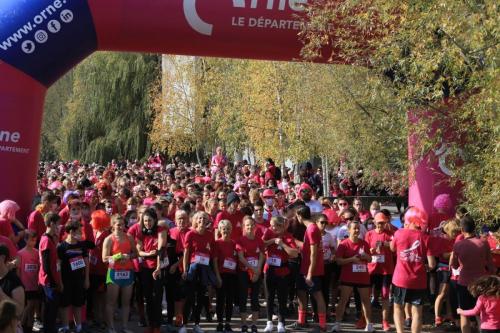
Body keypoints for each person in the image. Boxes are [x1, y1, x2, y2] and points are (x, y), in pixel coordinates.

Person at [390, 207, 435, 333]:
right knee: (417, 313)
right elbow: (432, 264)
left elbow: (392, 249)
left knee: (398, 307)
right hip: (418, 280)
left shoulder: (399, 233)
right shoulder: (426, 238)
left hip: (400, 279)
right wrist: (422, 265)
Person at [450, 215, 496, 333]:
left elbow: (454, 265)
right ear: (474, 228)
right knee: (481, 313)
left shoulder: (458, 245)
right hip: (481, 283)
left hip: (464, 283)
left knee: (464, 313)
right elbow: (491, 265)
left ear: (462, 230)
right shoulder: (484, 243)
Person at [288, 205, 327, 332]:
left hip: (311, 269)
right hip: (304, 267)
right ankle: (301, 321)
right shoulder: (310, 228)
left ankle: (322, 325)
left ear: (299, 216)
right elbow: (307, 247)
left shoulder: (312, 229)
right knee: (300, 292)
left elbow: (314, 253)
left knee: (317, 294)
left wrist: (310, 273)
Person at [332, 220, 373, 332]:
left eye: (358, 228)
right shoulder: (344, 244)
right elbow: (339, 261)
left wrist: (365, 256)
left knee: (366, 301)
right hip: (348, 277)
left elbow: (370, 259)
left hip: (362, 276)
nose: (357, 230)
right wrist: (352, 259)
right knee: (343, 300)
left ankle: (369, 325)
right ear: (349, 230)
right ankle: (337, 324)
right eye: (354, 228)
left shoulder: (364, 243)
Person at [262, 216, 298, 333]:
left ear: (282, 226)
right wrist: (272, 241)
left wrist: (282, 244)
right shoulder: (268, 232)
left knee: (282, 298)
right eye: (272, 225)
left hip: (282, 271)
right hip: (269, 269)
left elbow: (294, 254)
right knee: (269, 297)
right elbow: (261, 245)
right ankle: (269, 322)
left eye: (276, 226)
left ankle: (281, 323)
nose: (273, 228)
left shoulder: (288, 236)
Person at [102, 214, 138, 333]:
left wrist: (128, 256)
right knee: (111, 301)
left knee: (126, 302)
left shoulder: (129, 237)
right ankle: (111, 327)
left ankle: (125, 327)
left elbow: (135, 253)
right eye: (118, 224)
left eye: (122, 224)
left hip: (127, 272)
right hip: (113, 272)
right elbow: (104, 258)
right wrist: (117, 256)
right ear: (113, 225)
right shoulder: (109, 239)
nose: (120, 226)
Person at [182, 211, 215, 333]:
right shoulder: (190, 234)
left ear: (207, 221)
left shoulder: (210, 235)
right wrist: (185, 270)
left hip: (204, 270)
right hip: (192, 269)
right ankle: (184, 325)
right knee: (189, 298)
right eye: (199, 218)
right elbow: (186, 254)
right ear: (195, 220)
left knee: (201, 298)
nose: (202, 220)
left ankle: (196, 324)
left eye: (204, 218)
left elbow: (211, 253)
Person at [135, 208, 167, 333]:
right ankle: (150, 324)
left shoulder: (160, 230)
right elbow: (139, 251)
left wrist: (158, 267)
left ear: (155, 220)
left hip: (158, 267)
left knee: (157, 298)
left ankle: (157, 326)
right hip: (145, 268)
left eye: (150, 220)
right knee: (148, 297)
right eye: (145, 221)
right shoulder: (140, 232)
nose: (148, 223)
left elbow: (161, 250)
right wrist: (148, 254)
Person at [56, 221, 90, 333]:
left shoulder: (82, 245)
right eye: (79, 230)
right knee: (65, 304)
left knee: (78, 303)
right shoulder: (61, 247)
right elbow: (58, 266)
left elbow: (86, 262)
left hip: (79, 279)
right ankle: (65, 326)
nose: (81, 233)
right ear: (71, 231)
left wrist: (86, 279)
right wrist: (60, 282)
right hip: (66, 280)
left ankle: (79, 326)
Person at [365, 212, 395, 332]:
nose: (380, 225)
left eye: (383, 223)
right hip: (372, 269)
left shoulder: (390, 234)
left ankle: (385, 321)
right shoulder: (369, 234)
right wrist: (370, 250)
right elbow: (364, 250)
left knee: (385, 296)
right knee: (366, 296)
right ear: (374, 222)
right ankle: (365, 319)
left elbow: (395, 246)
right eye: (378, 223)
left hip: (386, 270)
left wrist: (384, 244)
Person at [236, 216, 265, 333]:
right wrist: (253, 269)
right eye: (247, 225)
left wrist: (258, 270)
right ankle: (244, 324)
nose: (250, 227)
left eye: (252, 225)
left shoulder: (259, 240)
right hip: (244, 272)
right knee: (243, 297)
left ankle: (254, 324)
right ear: (244, 227)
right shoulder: (240, 240)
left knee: (254, 298)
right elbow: (241, 257)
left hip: (256, 272)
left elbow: (262, 255)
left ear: (255, 226)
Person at [38, 212, 62, 333]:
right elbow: (47, 265)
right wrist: (54, 282)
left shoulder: (50, 238)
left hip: (50, 279)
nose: (60, 226)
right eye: (58, 224)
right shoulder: (46, 240)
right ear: (52, 224)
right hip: (49, 281)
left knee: (50, 308)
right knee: (51, 309)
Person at [213, 220, 237, 333]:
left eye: (228, 229)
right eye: (223, 229)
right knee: (220, 300)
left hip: (232, 275)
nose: (226, 231)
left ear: (231, 230)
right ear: (220, 230)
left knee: (230, 300)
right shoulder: (217, 243)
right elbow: (215, 261)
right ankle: (219, 323)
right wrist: (218, 277)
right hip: (221, 274)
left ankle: (227, 323)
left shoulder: (233, 243)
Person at [16, 230, 40, 333]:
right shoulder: (20, 253)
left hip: (34, 285)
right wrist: (19, 285)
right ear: (25, 240)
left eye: (35, 240)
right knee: (27, 307)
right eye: (31, 240)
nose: (33, 242)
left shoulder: (37, 252)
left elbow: (39, 268)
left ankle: (29, 327)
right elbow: (18, 271)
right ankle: (19, 326)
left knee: (33, 307)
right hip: (24, 285)